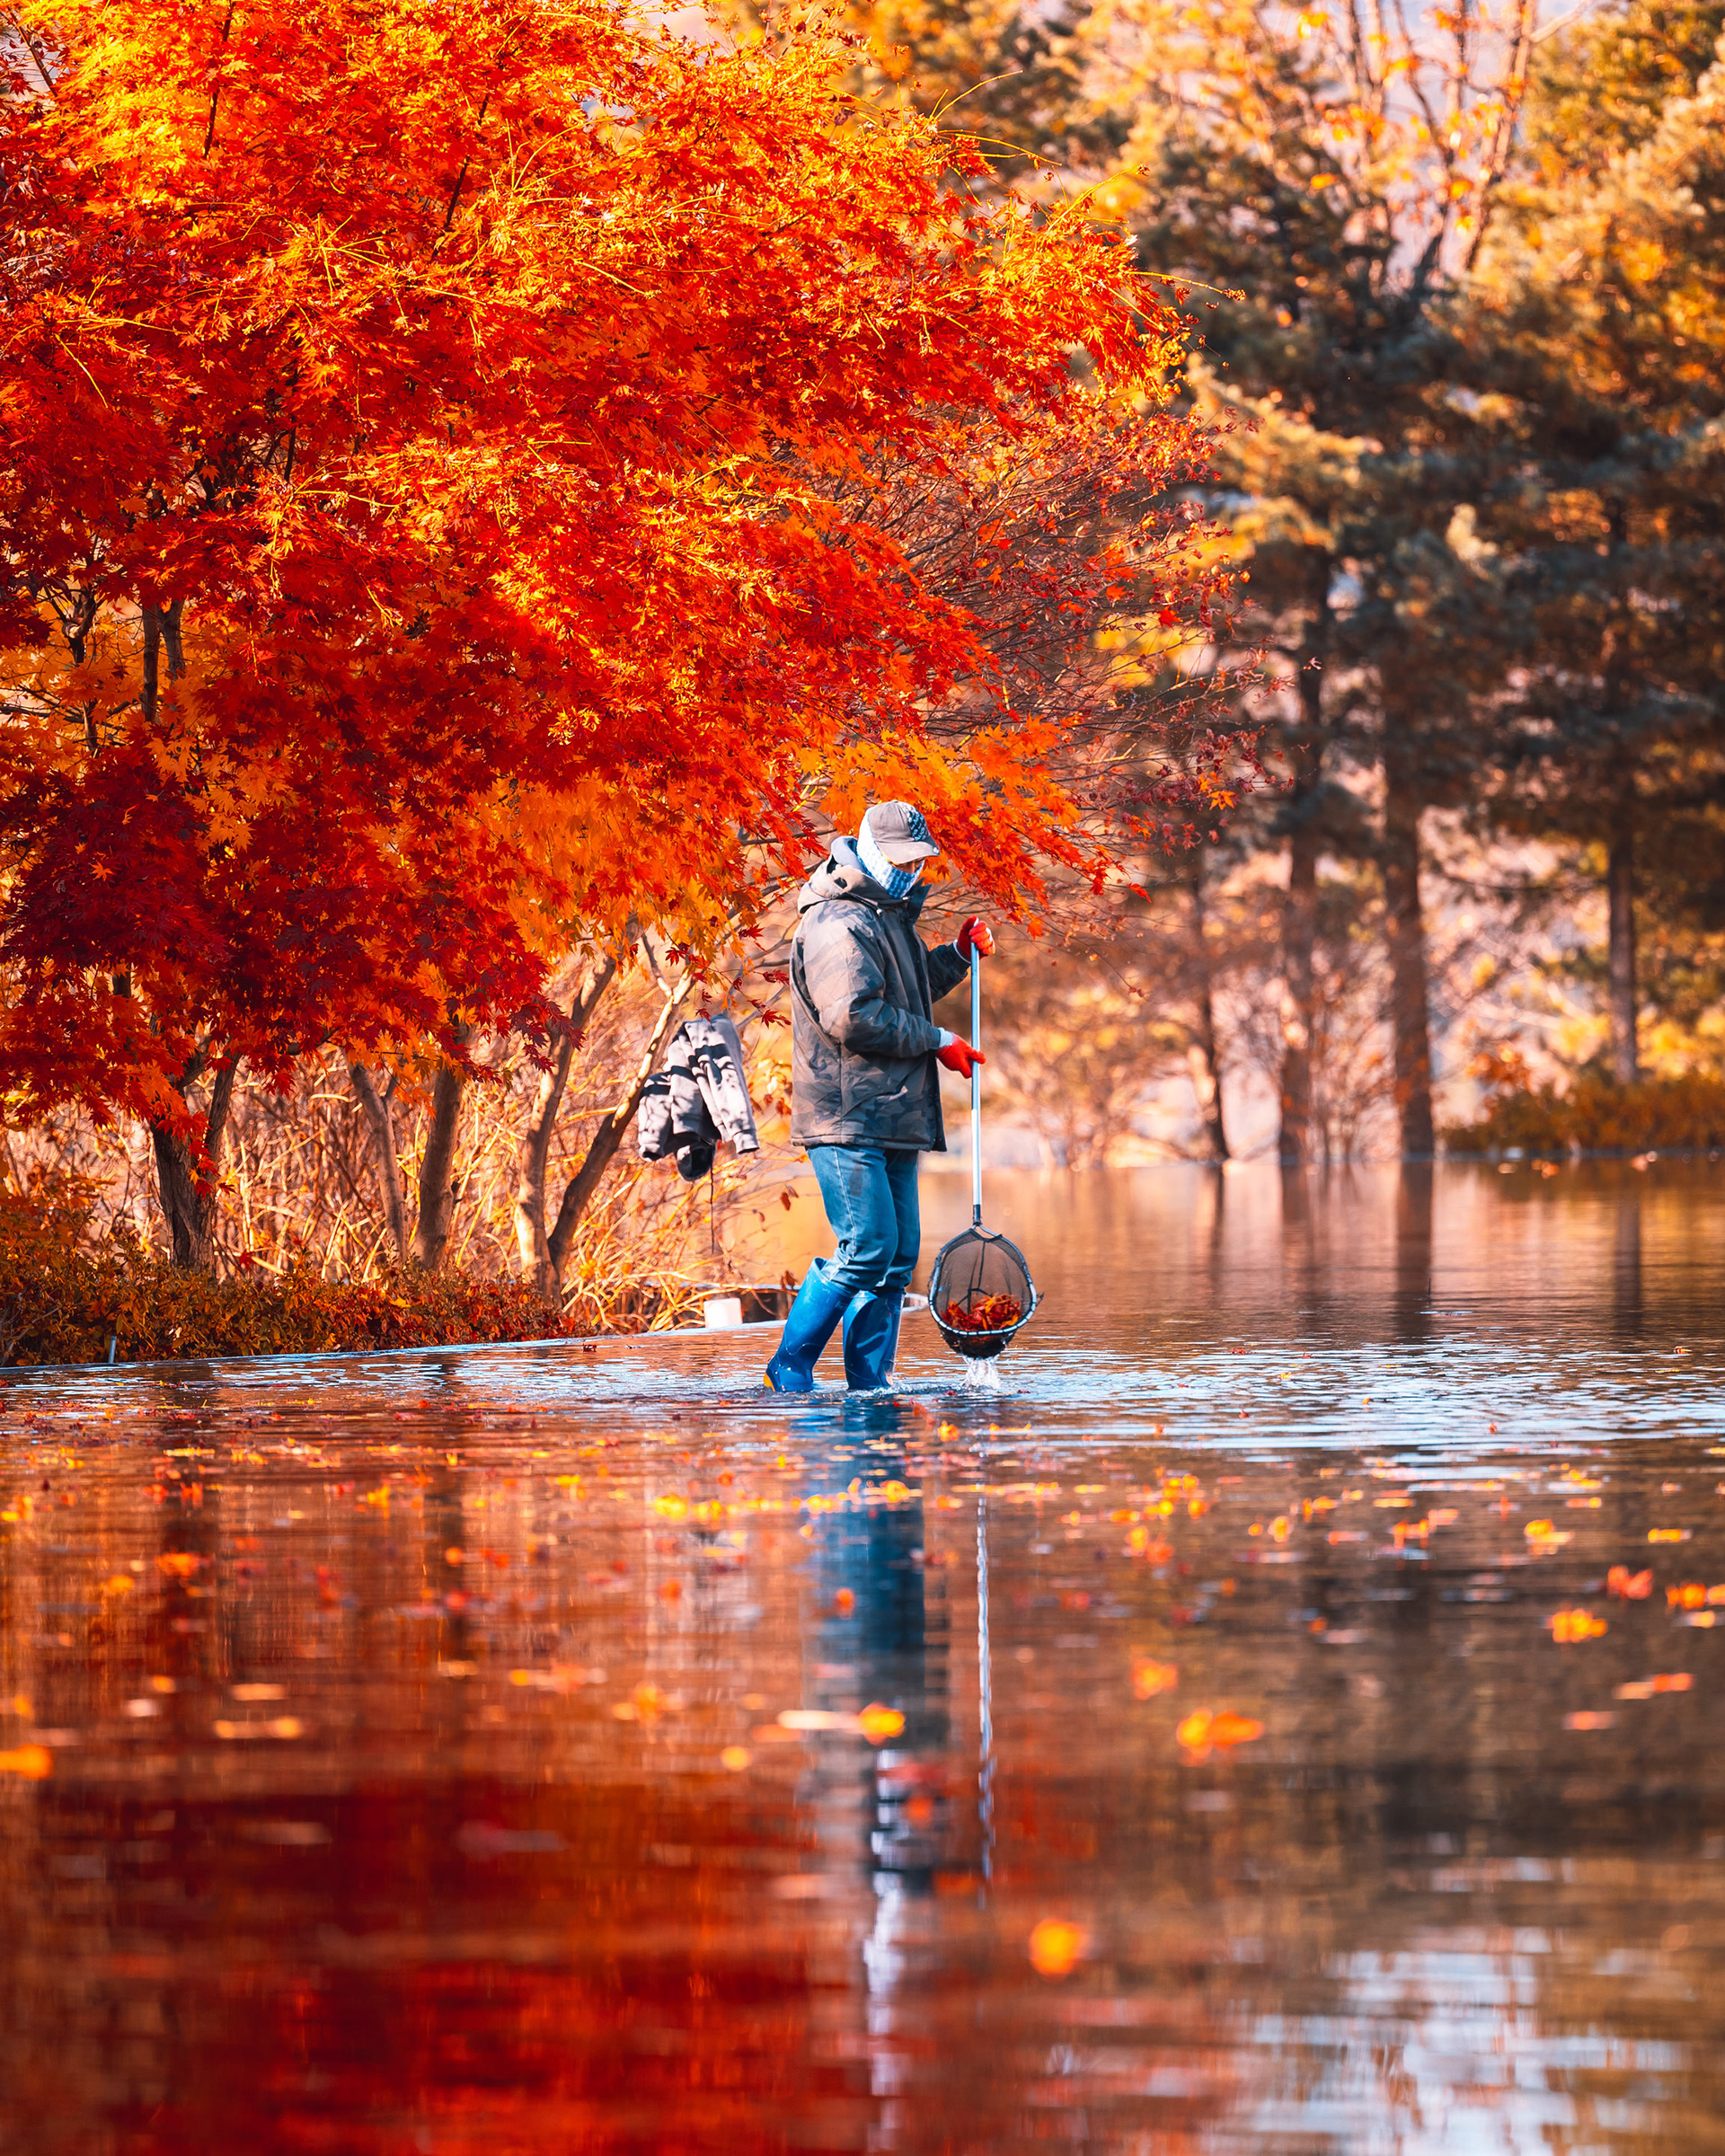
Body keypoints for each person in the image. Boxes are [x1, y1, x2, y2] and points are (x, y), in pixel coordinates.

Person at [765, 800, 994, 1393]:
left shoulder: (886, 916)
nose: (907, 870)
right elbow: (854, 1017)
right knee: (867, 1246)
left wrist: (956, 957)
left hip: (892, 1111)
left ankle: (871, 1382)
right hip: (847, 1115)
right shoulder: (837, 922)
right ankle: (787, 1368)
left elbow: (908, 993)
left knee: (897, 1256)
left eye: (916, 861)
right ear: (866, 849)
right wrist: (939, 1040)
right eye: (897, 859)